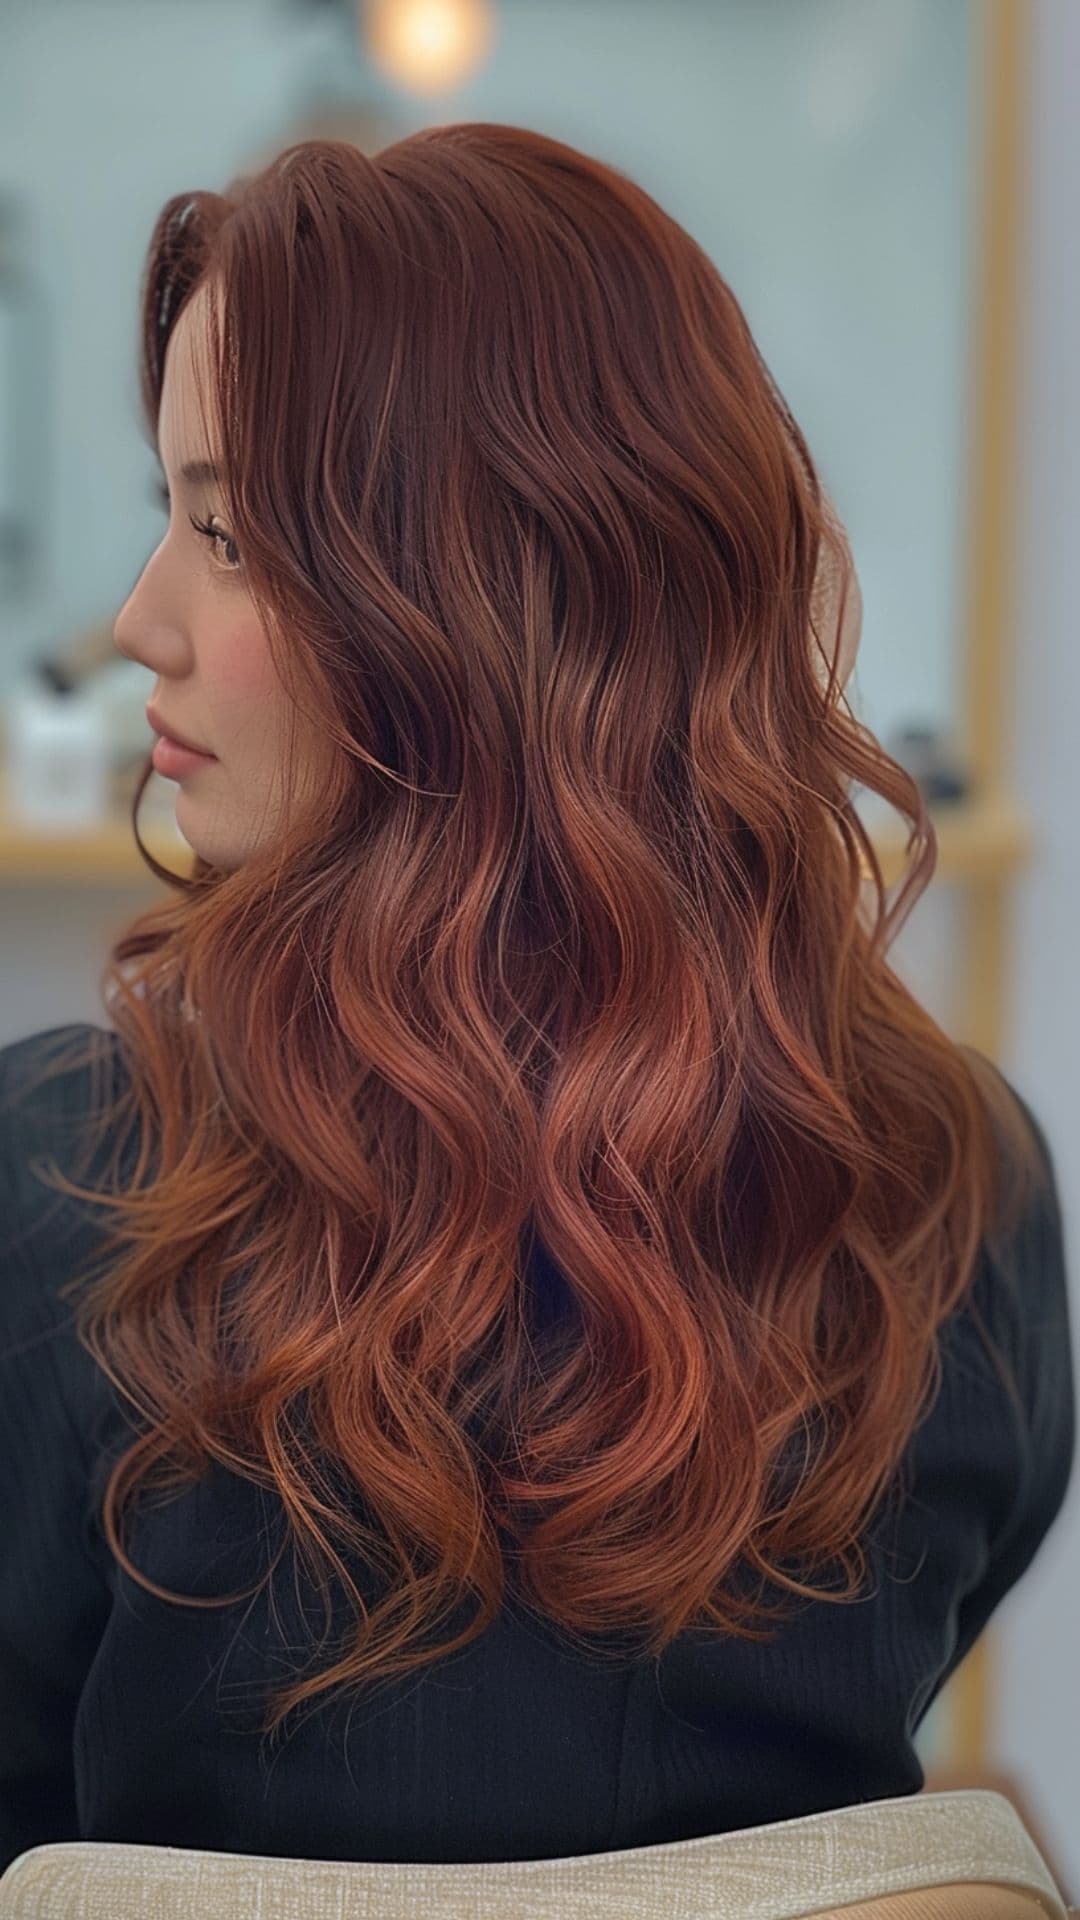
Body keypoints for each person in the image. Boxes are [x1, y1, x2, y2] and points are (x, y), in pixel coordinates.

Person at [0, 123, 1072, 1877]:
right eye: (167, 519)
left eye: (231, 534)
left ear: (479, 610)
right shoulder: (964, 1190)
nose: (139, 621)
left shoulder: (55, 1194)